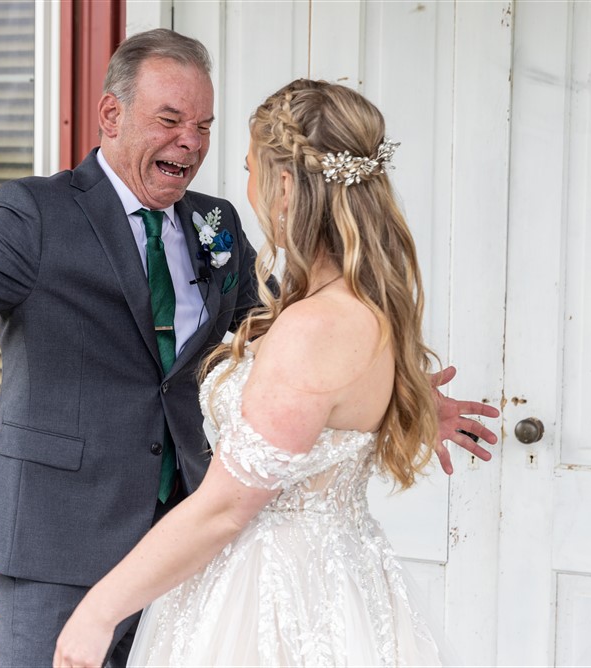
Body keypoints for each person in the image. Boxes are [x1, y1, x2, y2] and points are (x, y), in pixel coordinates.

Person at [0, 31, 497, 667]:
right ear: (111, 116)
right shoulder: (38, 214)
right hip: (60, 538)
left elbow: (285, 334)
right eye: (170, 121)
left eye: (203, 126)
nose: (191, 143)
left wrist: (391, 393)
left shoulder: (215, 223)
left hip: (189, 540)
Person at [53, 78, 473, 667]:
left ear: (281, 184)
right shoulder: (363, 306)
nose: (242, 188)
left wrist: (101, 609)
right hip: (333, 574)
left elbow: (228, 505)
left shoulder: (316, 326)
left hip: (277, 597)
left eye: (250, 168)